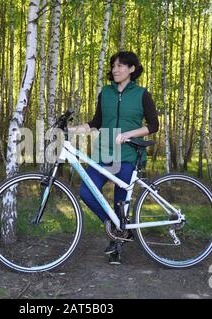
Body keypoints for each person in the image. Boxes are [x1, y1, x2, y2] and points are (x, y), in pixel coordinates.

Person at [68, 51, 159, 265]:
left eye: (120, 65)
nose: (115, 69)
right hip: (104, 153)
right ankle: (116, 228)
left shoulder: (142, 94)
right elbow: (96, 122)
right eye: (113, 65)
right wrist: (74, 129)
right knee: (87, 193)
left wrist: (129, 134)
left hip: (128, 154)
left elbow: (153, 125)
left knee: (120, 203)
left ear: (132, 69)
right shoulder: (106, 93)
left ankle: (117, 245)